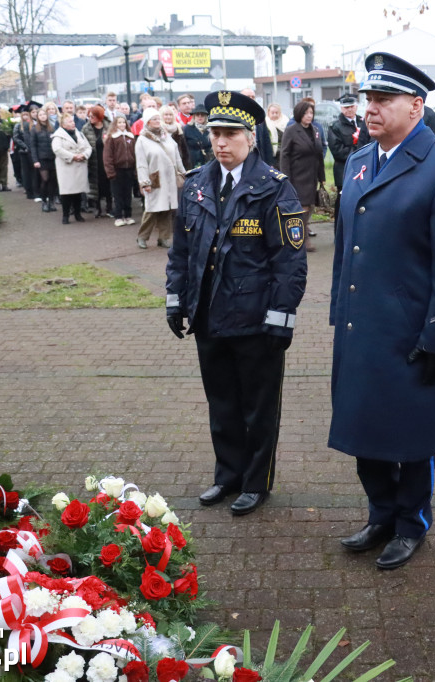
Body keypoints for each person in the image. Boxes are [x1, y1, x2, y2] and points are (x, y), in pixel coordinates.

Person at [330, 52, 435, 570]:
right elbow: (346, 246)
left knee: (411, 438)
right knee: (363, 428)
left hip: (410, 334)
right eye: (368, 99)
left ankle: (411, 522)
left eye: (383, 99)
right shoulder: (359, 161)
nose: (370, 108)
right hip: (361, 327)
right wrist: (339, 314)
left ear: (416, 106)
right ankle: (380, 513)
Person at [164, 90, 307, 516]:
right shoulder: (197, 184)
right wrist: (176, 300)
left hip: (255, 320)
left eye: (230, 134)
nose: (221, 142)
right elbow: (181, 251)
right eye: (215, 134)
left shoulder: (274, 188)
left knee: (258, 409)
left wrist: (281, 318)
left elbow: (289, 262)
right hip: (208, 316)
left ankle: (255, 482)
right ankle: (227, 475)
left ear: (251, 137)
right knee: (222, 404)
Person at [279, 100, 325, 253]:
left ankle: (297, 236)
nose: (309, 116)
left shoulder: (315, 130)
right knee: (302, 208)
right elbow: (284, 155)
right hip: (297, 176)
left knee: (310, 207)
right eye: (306, 113)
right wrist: (286, 178)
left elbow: (319, 154)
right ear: (299, 114)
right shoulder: (291, 131)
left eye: (311, 113)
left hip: (312, 176)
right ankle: (301, 239)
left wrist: (322, 177)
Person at [135, 109, 185, 249]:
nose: (158, 121)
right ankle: (142, 237)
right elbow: (141, 164)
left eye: (158, 118)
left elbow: (176, 156)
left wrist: (183, 173)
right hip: (155, 179)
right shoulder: (142, 140)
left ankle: (164, 238)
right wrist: (144, 182)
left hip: (170, 178)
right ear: (148, 121)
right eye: (154, 119)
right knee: (152, 209)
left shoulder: (166, 136)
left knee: (167, 209)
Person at [327, 94, 370, 225]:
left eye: (352, 106)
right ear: (341, 108)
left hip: (364, 167)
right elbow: (337, 150)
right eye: (346, 107)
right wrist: (359, 152)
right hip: (344, 169)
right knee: (343, 200)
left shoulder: (364, 122)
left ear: (356, 107)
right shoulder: (335, 126)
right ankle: (339, 229)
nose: (349, 110)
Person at [51, 114, 92, 224]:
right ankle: (65, 216)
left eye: (73, 121)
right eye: (70, 122)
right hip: (67, 167)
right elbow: (57, 149)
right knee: (67, 193)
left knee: (78, 192)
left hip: (80, 166)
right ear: (63, 124)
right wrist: (73, 156)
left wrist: (84, 155)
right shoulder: (58, 136)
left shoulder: (79, 133)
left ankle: (78, 214)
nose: (73, 123)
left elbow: (88, 147)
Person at [102, 114, 138, 227]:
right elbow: (107, 156)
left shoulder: (130, 137)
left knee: (128, 194)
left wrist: (135, 170)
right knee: (118, 195)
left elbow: (135, 154)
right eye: (119, 122)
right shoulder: (112, 138)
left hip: (129, 169)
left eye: (124, 122)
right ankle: (118, 216)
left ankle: (128, 215)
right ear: (115, 124)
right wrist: (110, 172)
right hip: (117, 170)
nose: (122, 124)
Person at [81, 105, 112, 219]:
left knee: (108, 182)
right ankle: (97, 207)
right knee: (95, 183)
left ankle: (110, 206)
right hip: (94, 159)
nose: (90, 118)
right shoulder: (86, 128)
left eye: (92, 116)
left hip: (107, 158)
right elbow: (82, 143)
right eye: (89, 116)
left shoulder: (109, 126)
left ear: (99, 116)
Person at [30, 108, 59, 212]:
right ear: (38, 117)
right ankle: (44, 202)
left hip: (52, 157)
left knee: (52, 180)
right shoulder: (34, 129)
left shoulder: (51, 128)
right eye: (40, 115)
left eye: (44, 114)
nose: (43, 116)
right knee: (45, 179)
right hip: (41, 158)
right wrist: (35, 160)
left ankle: (51, 201)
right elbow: (33, 146)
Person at [241, 88, 274, 165]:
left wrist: (270, 163)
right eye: (248, 96)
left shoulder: (259, 115)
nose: (251, 99)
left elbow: (266, 140)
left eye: (253, 97)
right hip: (242, 158)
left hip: (259, 158)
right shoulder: (235, 116)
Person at [12, 107, 37, 200]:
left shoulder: (32, 124)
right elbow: (16, 138)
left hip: (31, 150)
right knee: (26, 172)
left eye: (27, 114)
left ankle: (34, 189)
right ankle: (28, 190)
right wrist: (25, 147)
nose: (25, 116)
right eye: (24, 115)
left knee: (33, 172)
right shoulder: (18, 126)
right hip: (23, 151)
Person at [161, 105, 192, 171]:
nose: (168, 117)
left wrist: (187, 166)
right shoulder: (158, 130)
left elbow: (184, 149)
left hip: (178, 163)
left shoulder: (178, 128)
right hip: (163, 164)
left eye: (170, 115)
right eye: (166, 115)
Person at [183, 104, 213, 168]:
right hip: (192, 162)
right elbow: (183, 148)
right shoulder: (187, 129)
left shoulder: (211, 129)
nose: (200, 116)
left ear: (206, 116)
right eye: (197, 114)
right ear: (194, 116)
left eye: (202, 114)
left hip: (208, 162)